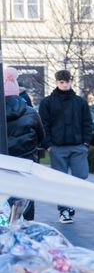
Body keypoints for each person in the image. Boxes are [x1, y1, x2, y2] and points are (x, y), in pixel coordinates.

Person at [39, 69, 93, 224]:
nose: (64, 84)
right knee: (60, 181)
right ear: (56, 82)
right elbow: (43, 125)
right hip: (57, 148)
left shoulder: (80, 101)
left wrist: (85, 143)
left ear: (71, 82)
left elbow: (87, 123)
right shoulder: (47, 102)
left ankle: (71, 202)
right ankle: (64, 211)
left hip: (78, 147)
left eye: (67, 81)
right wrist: (48, 145)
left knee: (81, 176)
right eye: (61, 82)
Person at [4, 67, 45, 221]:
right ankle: (25, 226)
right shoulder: (30, 112)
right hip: (25, 164)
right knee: (26, 197)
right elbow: (41, 136)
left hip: (3, 166)